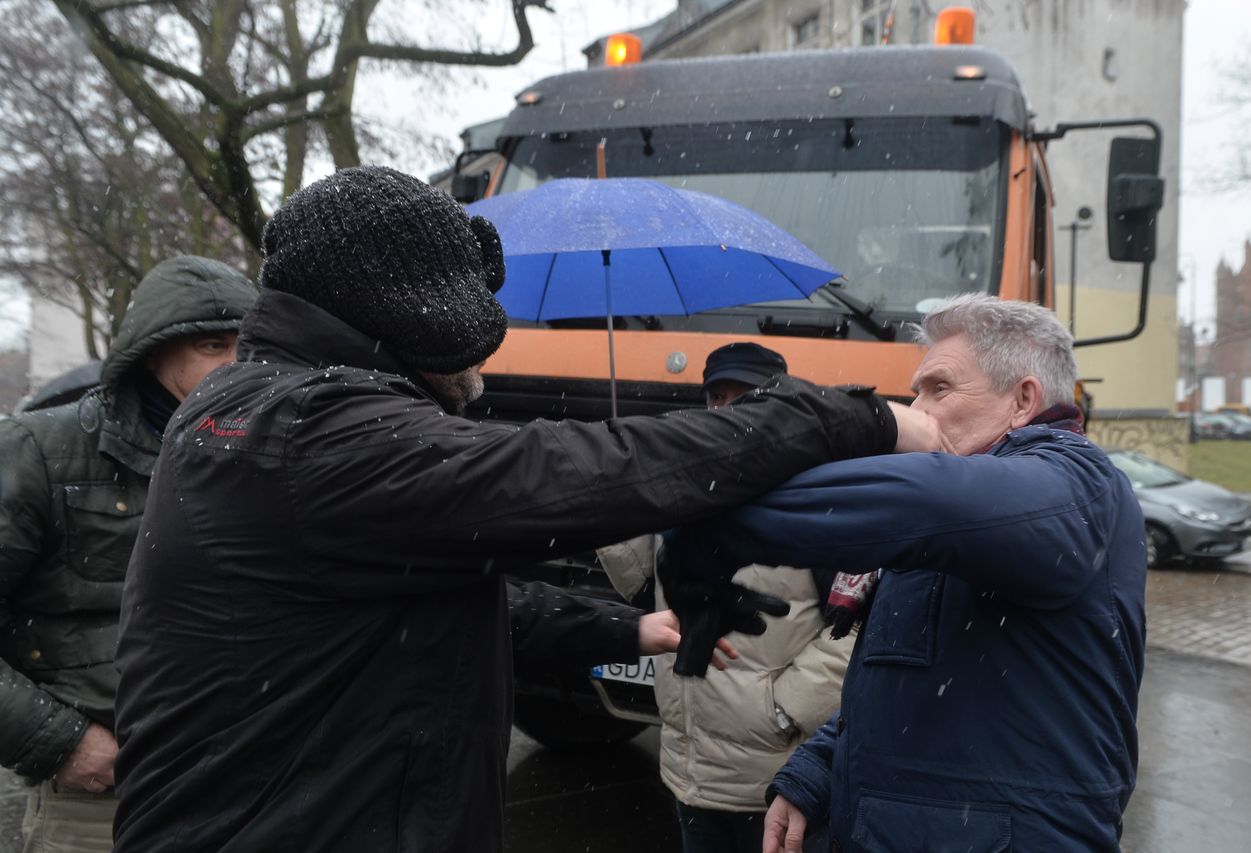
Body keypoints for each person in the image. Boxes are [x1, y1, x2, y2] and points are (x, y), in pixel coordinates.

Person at [108, 166, 941, 851]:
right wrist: (849, 417)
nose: (489, 352)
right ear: (412, 308)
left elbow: (424, 607)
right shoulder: (310, 430)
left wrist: (619, 629)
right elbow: (565, 469)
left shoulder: (257, 407)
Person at [668, 294, 1146, 852]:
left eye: (938, 389)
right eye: (916, 390)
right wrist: (815, 775)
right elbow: (894, 687)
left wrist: (709, 512)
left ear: (1023, 400)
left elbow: (933, 501)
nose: (914, 410)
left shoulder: (1077, 482)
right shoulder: (946, 522)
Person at [0, 256, 258, 851]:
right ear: (151, 351)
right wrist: (62, 742)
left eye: (250, 347)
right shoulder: (41, 453)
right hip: (103, 800)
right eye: (213, 346)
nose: (237, 366)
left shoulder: (270, 453)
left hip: (246, 793)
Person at [599, 341, 854, 853]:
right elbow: (646, 592)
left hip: (778, 781)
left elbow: (854, 630)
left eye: (745, 396)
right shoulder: (684, 486)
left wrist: (781, 710)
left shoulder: (817, 497)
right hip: (689, 771)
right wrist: (612, 504)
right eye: (717, 397)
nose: (727, 410)